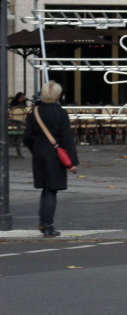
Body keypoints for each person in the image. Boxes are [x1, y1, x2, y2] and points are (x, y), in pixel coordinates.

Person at [22, 81, 79, 238]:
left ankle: (43, 222)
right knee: (51, 189)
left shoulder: (35, 112)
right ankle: (48, 226)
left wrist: (36, 148)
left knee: (45, 188)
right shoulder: (61, 113)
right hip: (55, 153)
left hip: (39, 152)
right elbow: (67, 139)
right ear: (58, 95)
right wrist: (72, 162)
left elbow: (26, 137)